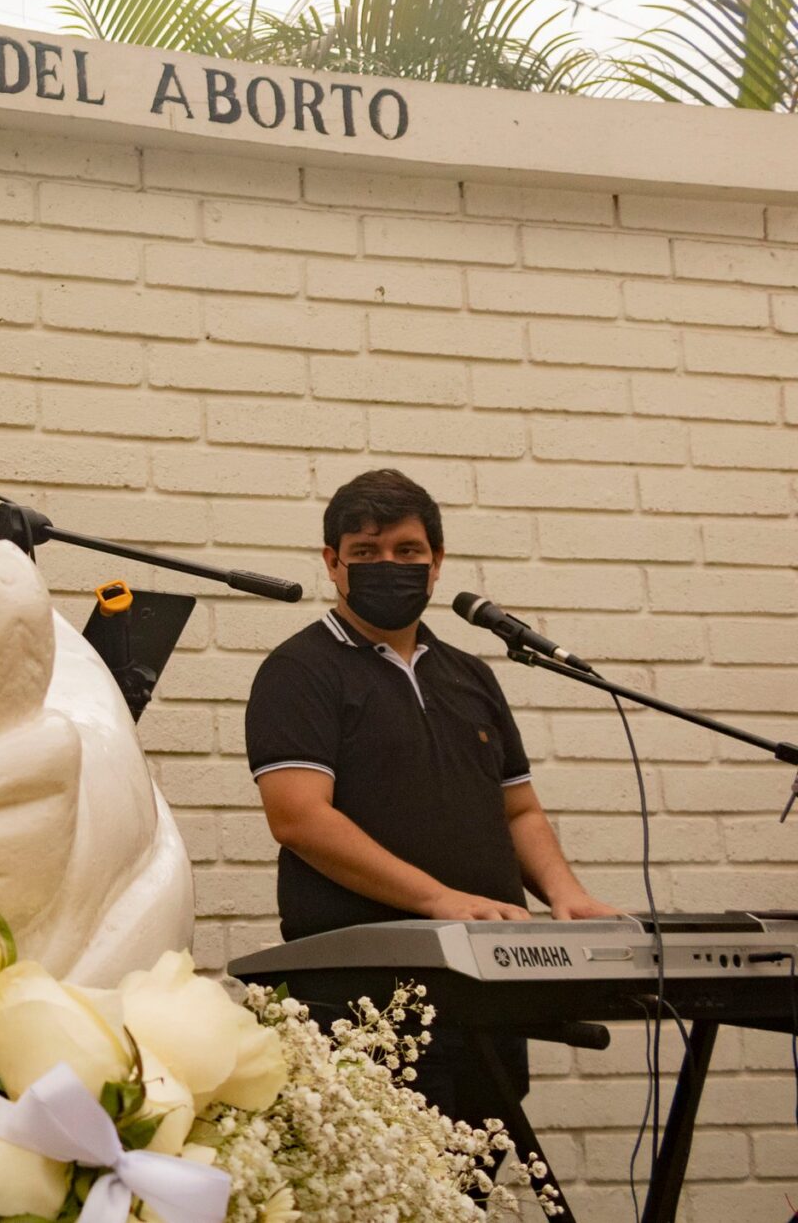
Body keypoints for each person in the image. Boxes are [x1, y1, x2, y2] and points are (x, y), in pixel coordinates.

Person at [245, 467, 618, 1130]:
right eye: (366, 553)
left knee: (471, 1187)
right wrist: (442, 904)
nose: (389, 565)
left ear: (437, 561)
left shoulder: (470, 675)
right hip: (363, 1000)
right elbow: (298, 816)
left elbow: (520, 809)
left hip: (486, 989)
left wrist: (566, 892)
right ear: (333, 562)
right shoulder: (299, 670)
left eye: (408, 552)